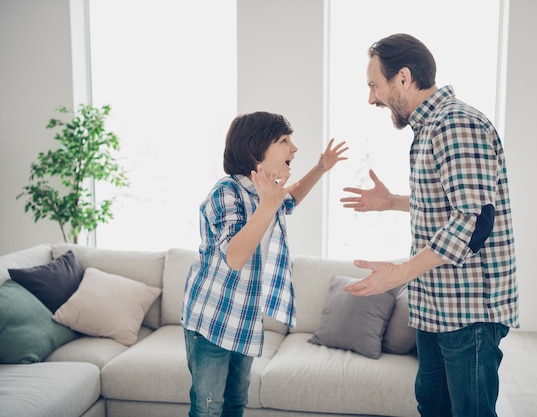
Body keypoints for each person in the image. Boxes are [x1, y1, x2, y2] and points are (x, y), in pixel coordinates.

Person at [341, 33, 519, 417]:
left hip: (468, 311)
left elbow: (474, 221)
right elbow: (451, 205)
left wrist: (398, 274)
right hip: (436, 306)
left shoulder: (456, 124)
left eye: (374, 85)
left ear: (403, 77)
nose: (371, 98)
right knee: (432, 407)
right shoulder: (428, 129)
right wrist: (391, 203)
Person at [181, 111, 348, 417]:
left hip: (244, 318)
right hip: (211, 320)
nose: (294, 149)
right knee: (208, 409)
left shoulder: (266, 194)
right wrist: (267, 206)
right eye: (284, 141)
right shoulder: (226, 192)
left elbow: (291, 198)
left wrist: (321, 168)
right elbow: (234, 256)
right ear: (256, 149)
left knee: (236, 402)